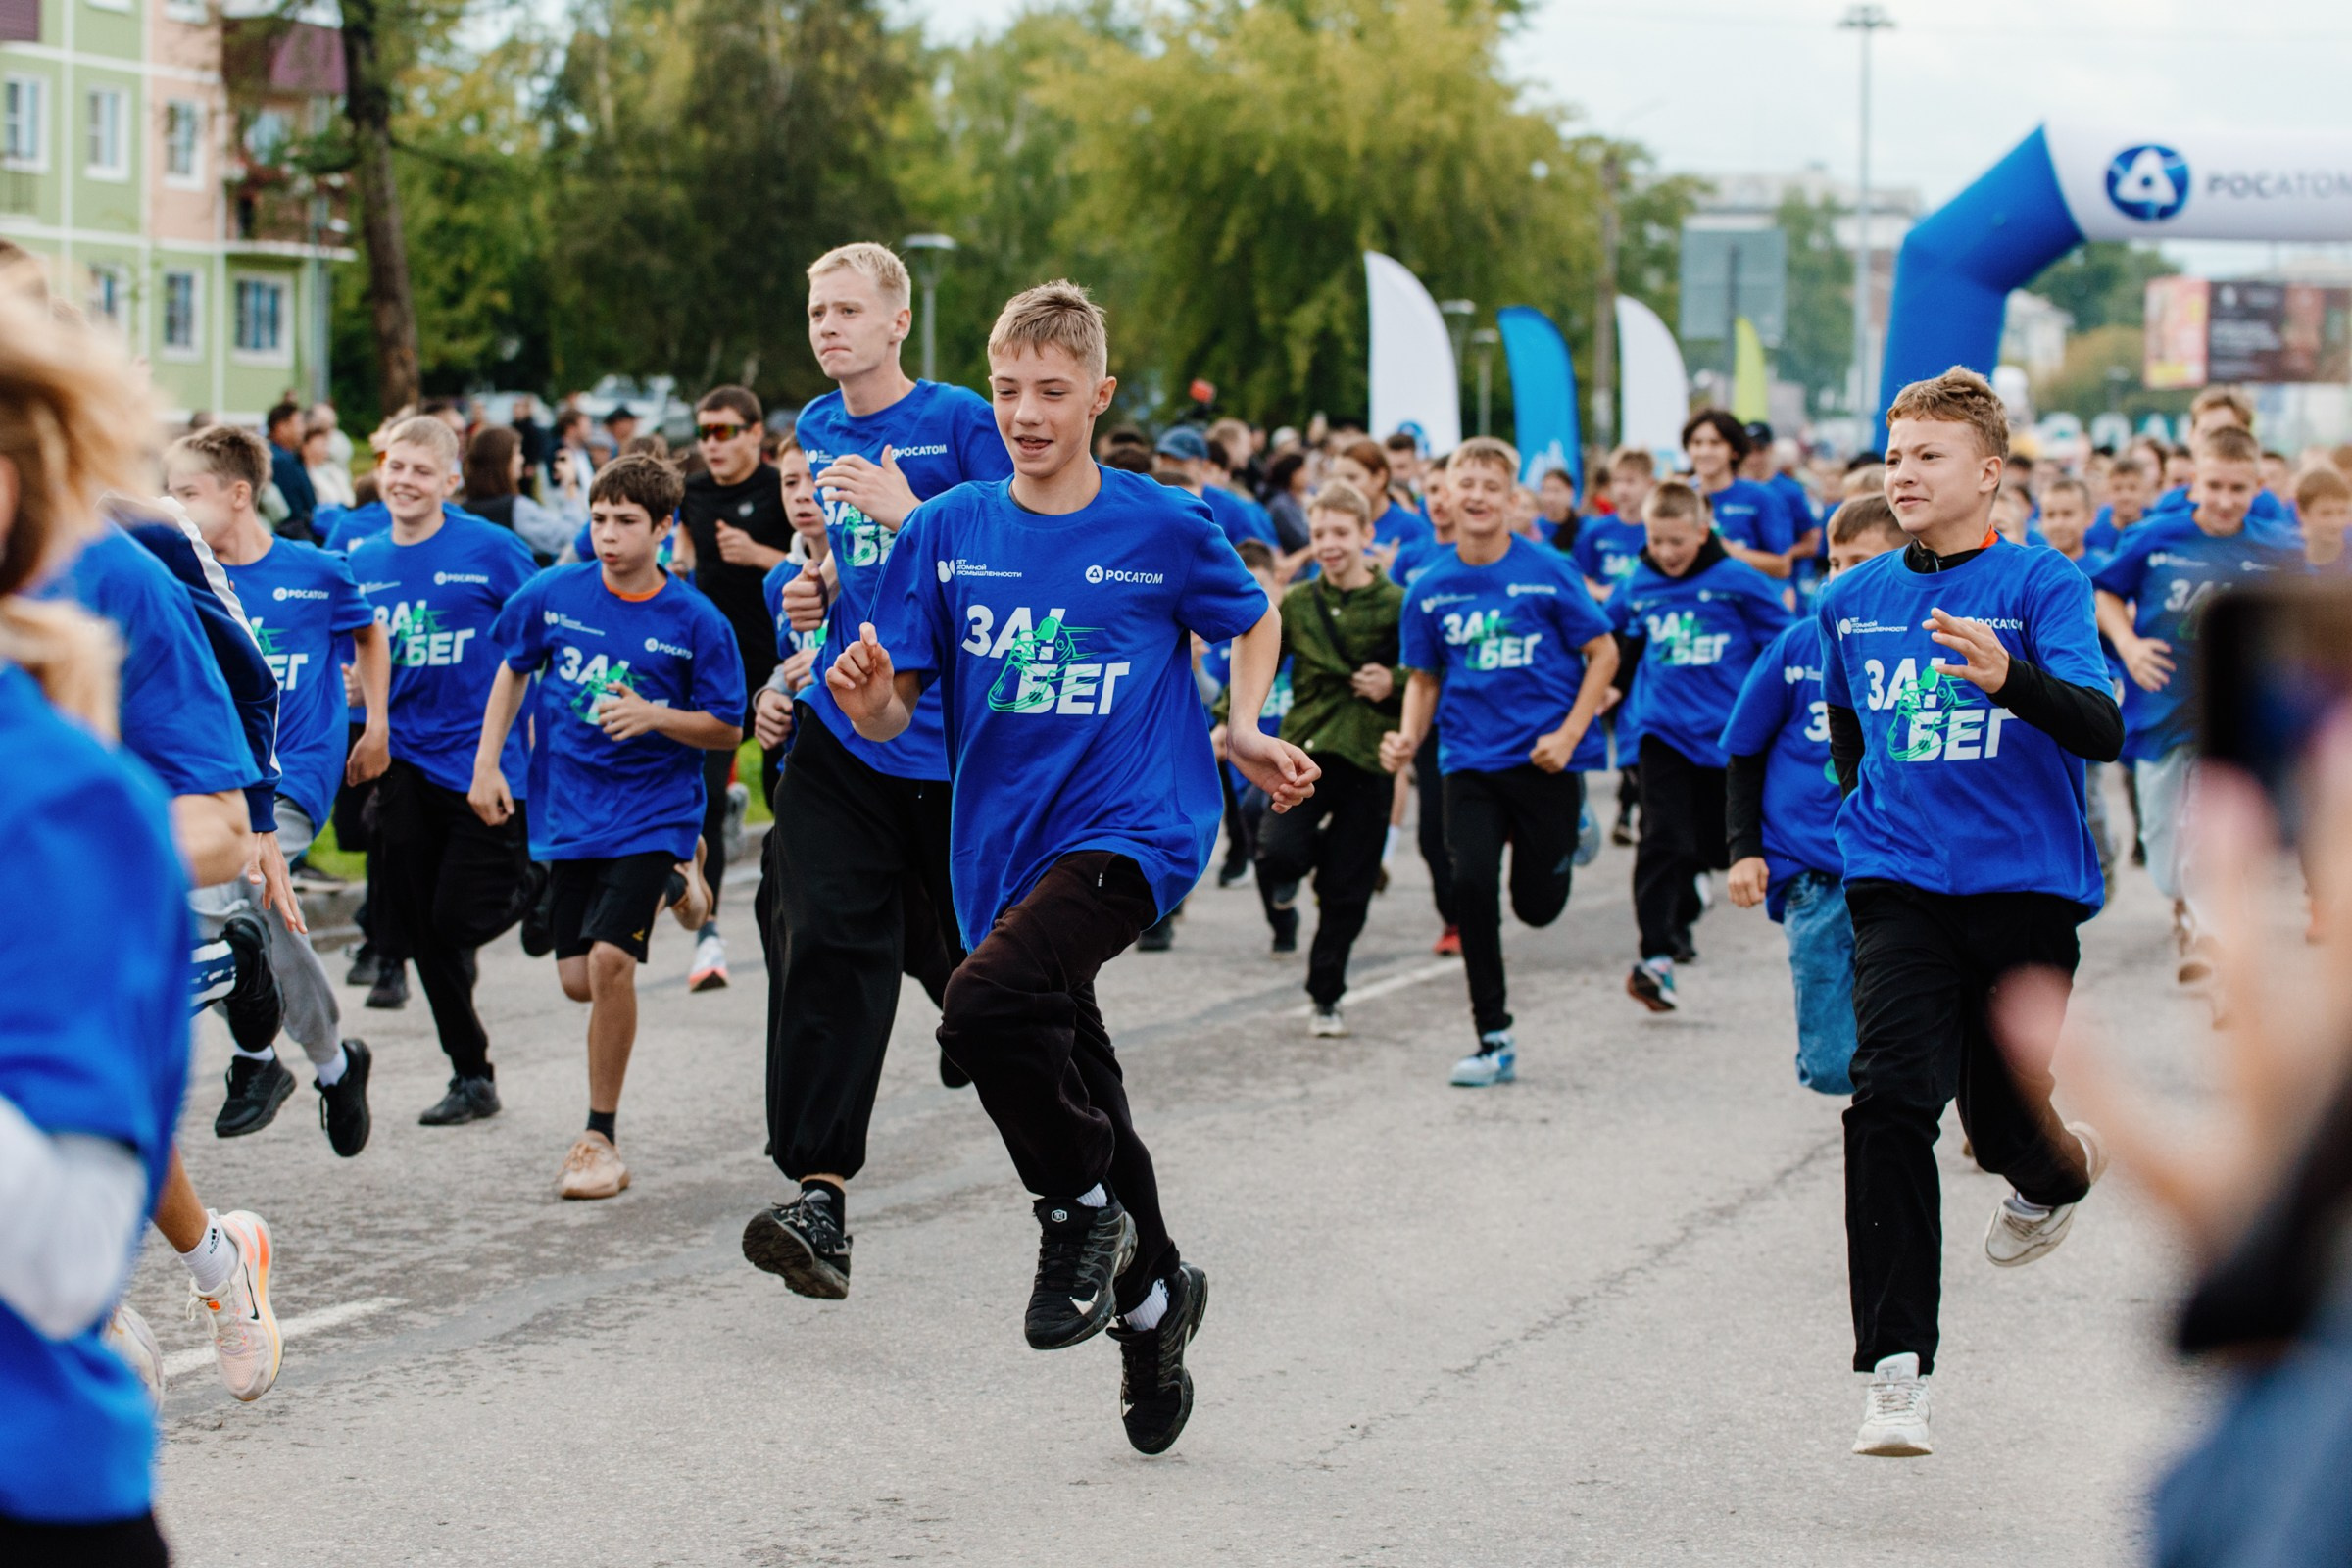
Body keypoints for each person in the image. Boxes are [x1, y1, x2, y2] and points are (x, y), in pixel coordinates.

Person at [827, 278, 1316, 1455]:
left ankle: (1079, 1208)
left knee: (985, 1006)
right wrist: (869, 695)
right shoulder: (946, 529)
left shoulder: (1159, 524)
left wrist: (1244, 723)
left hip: (1134, 828)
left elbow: (1252, 616)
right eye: (1007, 390)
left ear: (1098, 396)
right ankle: (1154, 1302)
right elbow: (899, 712)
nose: (1026, 413)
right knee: (1073, 1069)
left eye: (1053, 391)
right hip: (999, 845)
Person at [1817, 366, 2120, 1458]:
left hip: (2026, 890)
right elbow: (1854, 742)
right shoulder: (1848, 602)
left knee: (2001, 1128)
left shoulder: (2045, 586)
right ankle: (1895, 1371)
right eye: (1893, 455)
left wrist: (2008, 681)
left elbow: (2098, 725)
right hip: (1900, 884)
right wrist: (1867, 837)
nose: (1902, 473)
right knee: (1890, 1098)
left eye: (1927, 456)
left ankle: (2060, 1172)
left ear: (1989, 473)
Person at [743, 242, 1014, 1301]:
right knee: (821, 934)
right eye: (817, 309)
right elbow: (834, 567)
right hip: (846, 729)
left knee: (981, 975)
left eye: (849, 309)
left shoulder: (960, 423)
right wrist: (804, 590)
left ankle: (1089, 1186)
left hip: (951, 742)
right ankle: (820, 1195)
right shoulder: (814, 428)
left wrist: (917, 515)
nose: (828, 326)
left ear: (899, 322)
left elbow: (1015, 544)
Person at [472, 454, 739, 1199]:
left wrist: (655, 716)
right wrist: (487, 764)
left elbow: (726, 728)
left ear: (662, 528)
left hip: (654, 811)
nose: (608, 535)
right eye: (598, 519)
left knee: (610, 967)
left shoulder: (695, 620)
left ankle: (600, 1140)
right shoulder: (554, 593)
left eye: (626, 522)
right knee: (575, 983)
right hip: (571, 810)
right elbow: (512, 668)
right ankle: (687, 881)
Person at [164, 423, 385, 1153]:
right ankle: (332, 1067)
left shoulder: (315, 570)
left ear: (239, 493)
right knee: (218, 917)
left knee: (254, 893)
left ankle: (261, 1061)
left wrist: (374, 722)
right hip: (214, 774)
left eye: (188, 493)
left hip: (294, 770)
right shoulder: (180, 578)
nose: (175, 506)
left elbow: (370, 635)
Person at [1381, 437, 1618, 1085]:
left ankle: (1570, 832)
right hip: (1469, 758)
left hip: (1545, 760)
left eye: (1493, 486)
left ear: (1513, 500)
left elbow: (1603, 653)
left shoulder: (1549, 570)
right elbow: (1424, 678)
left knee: (1537, 907)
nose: (1478, 496)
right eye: (1468, 484)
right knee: (1472, 885)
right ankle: (1493, 1035)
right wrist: (1407, 739)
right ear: (1447, 495)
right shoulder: (1428, 587)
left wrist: (1571, 736)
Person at [347, 416, 539, 1126]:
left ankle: (543, 883)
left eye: (422, 471)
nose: (405, 482)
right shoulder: (361, 559)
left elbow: (535, 641)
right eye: (396, 468)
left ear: (450, 480)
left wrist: (532, 746)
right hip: (402, 762)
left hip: (480, 762)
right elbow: (358, 653)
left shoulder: (491, 551)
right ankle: (472, 1075)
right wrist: (356, 690)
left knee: (457, 915)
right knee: (426, 931)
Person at [2093, 423, 2303, 980]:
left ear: (2258, 486)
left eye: (2240, 488)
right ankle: (2191, 908)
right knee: (2164, 852)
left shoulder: (2280, 546)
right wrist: (2130, 644)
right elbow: (2105, 591)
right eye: (2216, 486)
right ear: (2194, 484)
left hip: (2239, 714)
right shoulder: (2156, 537)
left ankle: (2216, 942)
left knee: (2217, 819)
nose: (2227, 500)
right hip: (2161, 707)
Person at [1722, 495, 1904, 1095]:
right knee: (1831, 1066)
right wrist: (1745, 848)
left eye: (1861, 561)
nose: (1839, 577)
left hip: (1903, 875)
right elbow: (1744, 750)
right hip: (1813, 876)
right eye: (1832, 562)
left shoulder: (1925, 646)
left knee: (1903, 1045)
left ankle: (1933, 1110)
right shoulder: (1798, 645)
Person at [1607, 479, 1792, 1010]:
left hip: (1727, 735)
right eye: (1655, 540)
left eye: (1676, 542)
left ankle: (1692, 895)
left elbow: (1783, 644)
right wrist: (1611, 680)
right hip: (1660, 730)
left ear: (1702, 532)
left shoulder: (1737, 580)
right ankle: (1655, 958)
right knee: (1661, 837)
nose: (1665, 553)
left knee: (1713, 847)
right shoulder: (1638, 579)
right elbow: (1608, 635)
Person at [1248, 481, 1403, 1034]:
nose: (1329, 544)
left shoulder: (1396, 605)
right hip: (1306, 752)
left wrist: (1395, 681)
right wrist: (1227, 714)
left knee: (1347, 890)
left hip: (1366, 756)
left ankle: (1326, 995)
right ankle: (1293, 875)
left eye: (1340, 533)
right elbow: (1261, 662)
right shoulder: (1299, 602)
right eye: (1319, 534)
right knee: (1277, 850)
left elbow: (1430, 674)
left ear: (1367, 534)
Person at [667, 386, 794, 991]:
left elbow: (814, 559)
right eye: (704, 431)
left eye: (724, 431)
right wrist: (680, 567)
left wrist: (759, 554)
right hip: (714, 673)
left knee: (787, 794)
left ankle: (796, 918)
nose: (711, 443)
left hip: (776, 669)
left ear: (753, 433)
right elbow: (683, 557)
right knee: (708, 801)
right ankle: (708, 934)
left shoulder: (779, 489)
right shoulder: (691, 493)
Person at [1575, 448, 1657, 846]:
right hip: (1607, 629)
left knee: (1635, 716)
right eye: (1617, 482)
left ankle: (1630, 801)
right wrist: (1605, 591)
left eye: (1631, 482)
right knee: (1612, 715)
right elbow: (1578, 577)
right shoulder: (1596, 531)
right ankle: (1620, 796)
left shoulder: (1654, 529)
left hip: (1644, 634)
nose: (1623, 490)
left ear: (1649, 485)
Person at [1682, 411, 1794, 579]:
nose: (1705, 451)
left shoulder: (1761, 497)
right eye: (1697, 443)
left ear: (1734, 450)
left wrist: (1725, 550)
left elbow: (1782, 566)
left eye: (1715, 443)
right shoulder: (1678, 495)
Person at [1155, 426, 1277, 553]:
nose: (1169, 469)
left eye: (1178, 463)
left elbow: (1259, 557)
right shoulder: (1148, 498)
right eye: (1164, 461)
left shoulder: (1232, 506)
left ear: (1202, 465)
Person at [460, 426, 570, 565]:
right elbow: (569, 536)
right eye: (517, 453)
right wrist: (570, 486)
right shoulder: (516, 508)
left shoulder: (463, 510)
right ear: (502, 461)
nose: (522, 459)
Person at [1330, 438, 1432, 564]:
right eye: (1336, 479)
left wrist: (1393, 571)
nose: (1341, 486)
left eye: (1351, 478)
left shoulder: (1412, 527)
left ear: (1380, 478)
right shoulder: (1332, 526)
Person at [265, 400, 318, 543]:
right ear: (282, 427)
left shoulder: (286, 456)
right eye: (299, 424)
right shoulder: (280, 461)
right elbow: (293, 511)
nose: (303, 429)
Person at [2083, 454, 2152, 555]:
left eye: (2133, 488)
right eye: (2117, 489)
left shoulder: (2154, 526)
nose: (2125, 496)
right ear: (2107, 491)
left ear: (2144, 490)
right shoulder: (2093, 529)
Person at [2298, 462, 2350, 571]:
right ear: (2303, 514)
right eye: (2326, 514)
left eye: (2342, 512)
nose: (2337, 523)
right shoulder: (2286, 557)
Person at [304, 416, 355, 512]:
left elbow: (349, 498)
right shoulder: (304, 473)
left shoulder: (334, 469)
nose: (325, 446)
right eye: (320, 442)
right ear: (305, 446)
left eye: (326, 442)